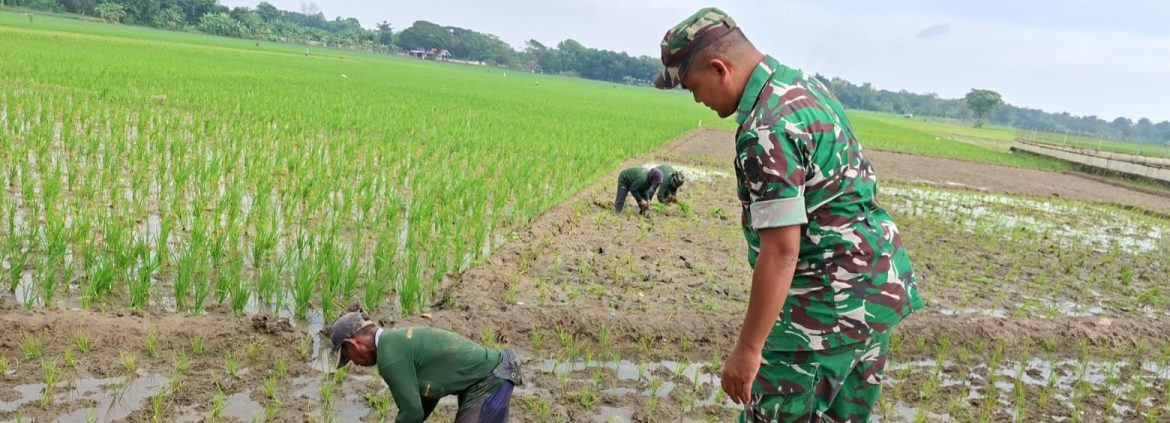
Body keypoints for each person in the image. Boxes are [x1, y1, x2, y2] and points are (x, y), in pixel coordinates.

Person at [653, 8, 923, 422]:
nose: (697, 99)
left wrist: (748, 350)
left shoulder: (765, 129)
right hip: (874, 300)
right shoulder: (805, 86)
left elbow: (780, 251)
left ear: (719, 68)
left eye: (693, 86)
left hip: (816, 319)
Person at [329, 312, 523, 422]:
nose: (355, 363)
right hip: (489, 377)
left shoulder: (389, 357)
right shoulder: (395, 343)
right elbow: (425, 400)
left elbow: (412, 412)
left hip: (490, 379)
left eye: (349, 357)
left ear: (353, 344)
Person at [614, 164, 685, 215]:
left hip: (635, 182)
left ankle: (642, 212)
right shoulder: (643, 179)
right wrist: (641, 200)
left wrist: (647, 199)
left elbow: (645, 192)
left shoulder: (649, 181)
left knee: (644, 202)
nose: (656, 184)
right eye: (656, 182)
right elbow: (633, 190)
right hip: (625, 179)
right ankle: (616, 212)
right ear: (652, 179)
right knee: (620, 200)